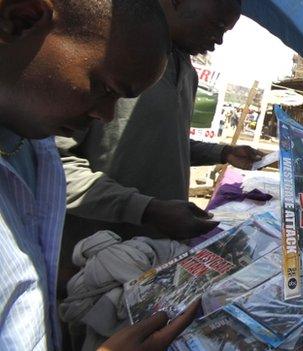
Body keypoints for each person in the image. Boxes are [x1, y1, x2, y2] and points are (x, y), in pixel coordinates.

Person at [0, 0, 199, 350]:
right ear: (22, 20)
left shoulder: (32, 148)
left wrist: (81, 282)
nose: (107, 115)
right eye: (104, 88)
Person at [55, 0, 262, 294]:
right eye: (217, 26)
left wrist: (222, 153)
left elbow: (164, 141)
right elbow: (53, 167)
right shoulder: (112, 55)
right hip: (92, 260)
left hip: (154, 256)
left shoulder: (187, 71)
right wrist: (147, 209)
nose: (218, 40)